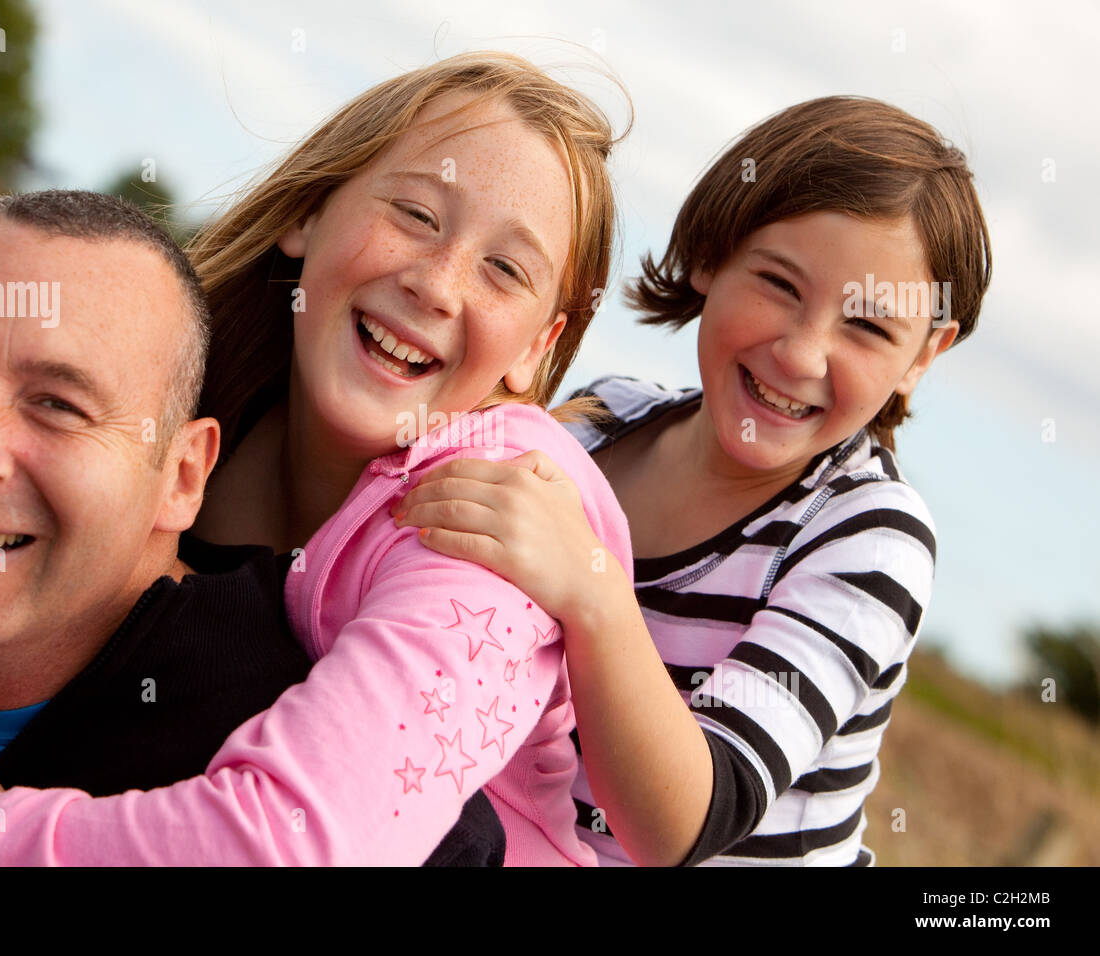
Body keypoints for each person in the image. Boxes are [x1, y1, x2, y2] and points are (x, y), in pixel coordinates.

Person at [0, 51, 631, 866]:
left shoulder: (499, 515)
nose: (438, 284)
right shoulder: (212, 389)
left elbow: (291, 844)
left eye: (505, 269)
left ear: (537, 347)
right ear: (307, 213)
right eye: (415, 214)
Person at [391, 95, 993, 865]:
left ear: (922, 357)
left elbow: (685, 824)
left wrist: (595, 592)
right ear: (711, 256)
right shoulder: (594, 422)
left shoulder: (866, 538)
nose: (803, 354)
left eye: (869, 326)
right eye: (779, 284)